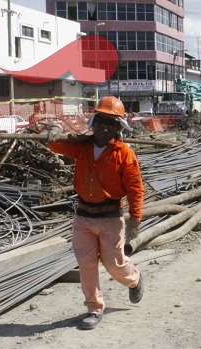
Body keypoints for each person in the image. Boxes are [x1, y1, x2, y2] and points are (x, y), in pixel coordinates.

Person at [46, 96, 145, 330]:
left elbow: (135, 189)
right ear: (94, 122)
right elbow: (54, 143)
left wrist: (135, 221)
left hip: (110, 218)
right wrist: (54, 130)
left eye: (110, 123)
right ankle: (94, 308)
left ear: (118, 127)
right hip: (83, 217)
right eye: (100, 120)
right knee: (87, 264)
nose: (103, 126)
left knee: (115, 265)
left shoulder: (124, 155)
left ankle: (135, 279)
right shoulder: (82, 146)